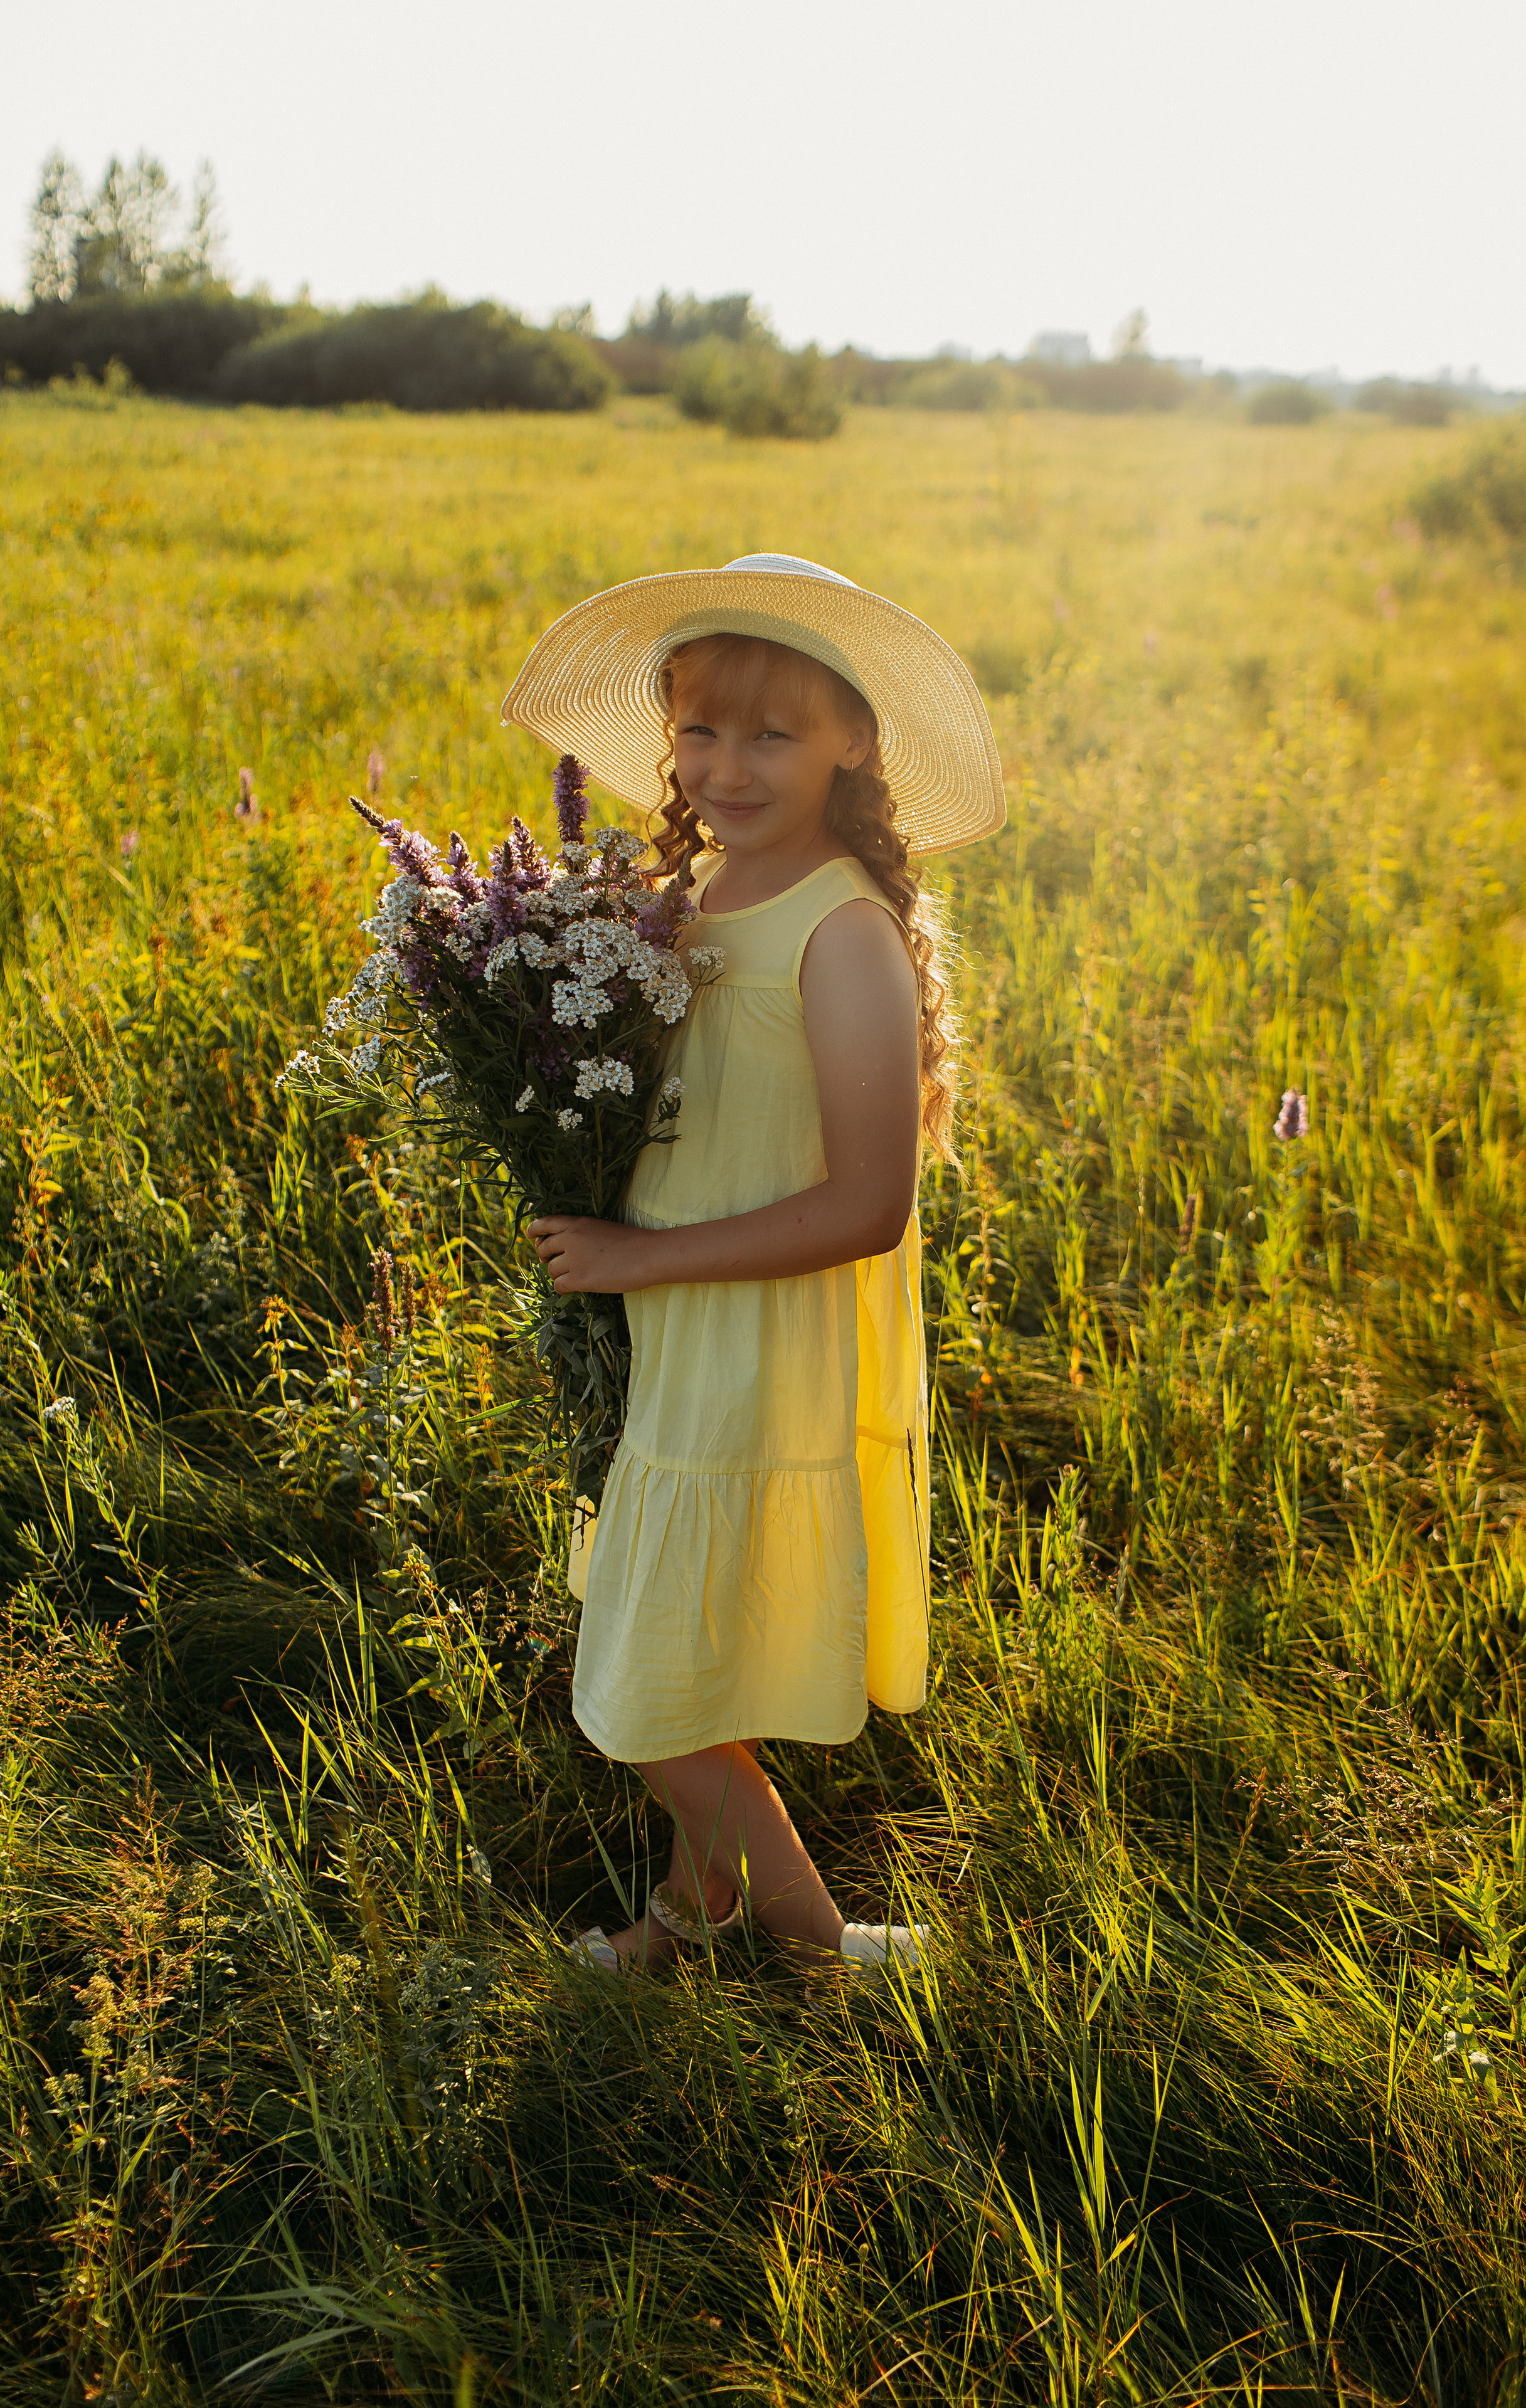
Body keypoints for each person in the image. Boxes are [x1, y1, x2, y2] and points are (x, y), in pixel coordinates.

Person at [500, 554, 1004, 1968]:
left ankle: (818, 1955)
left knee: (645, 1687)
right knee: (691, 1640)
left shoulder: (841, 935)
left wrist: (634, 1257)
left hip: (753, 1334)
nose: (725, 765)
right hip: (685, 1325)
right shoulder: (706, 887)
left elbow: (866, 1207)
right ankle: (687, 1919)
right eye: (699, 728)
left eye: (770, 734)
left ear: (852, 740)